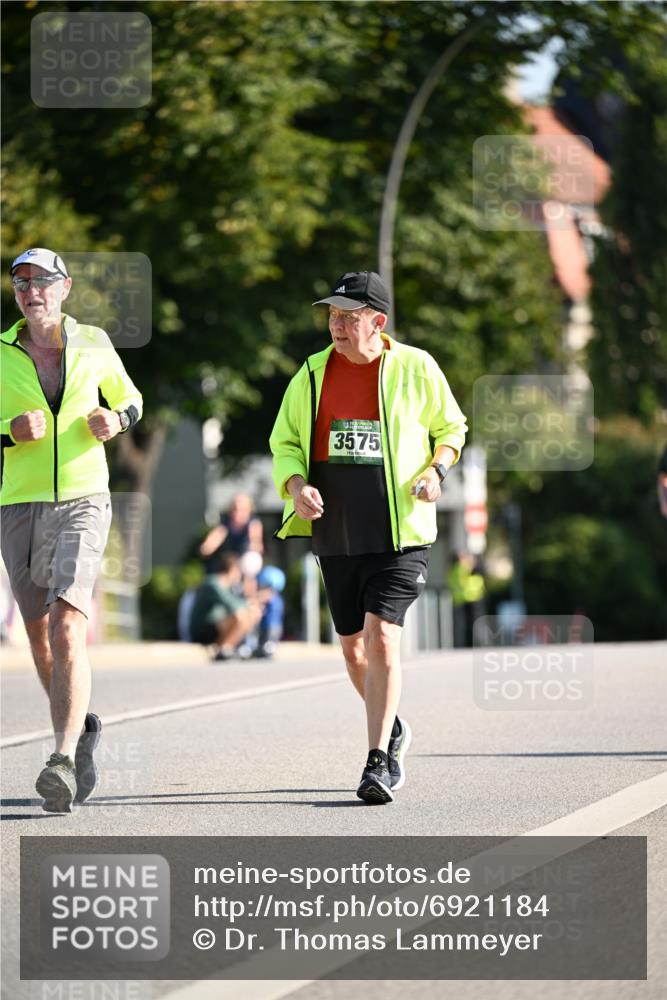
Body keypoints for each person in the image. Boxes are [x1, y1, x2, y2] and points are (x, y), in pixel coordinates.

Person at [270, 270, 467, 804]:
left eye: (348, 317)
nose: (335, 325)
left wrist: (436, 471)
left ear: (377, 322)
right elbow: (285, 442)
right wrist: (296, 485)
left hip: (400, 532)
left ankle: (377, 760)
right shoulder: (310, 375)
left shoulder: (416, 367)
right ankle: (394, 726)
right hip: (336, 530)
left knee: (382, 639)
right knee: (354, 652)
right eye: (332, 315)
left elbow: (452, 428)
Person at [0, 247, 142, 813]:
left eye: (42, 282)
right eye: (21, 283)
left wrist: (117, 419)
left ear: (66, 288)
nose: (31, 292)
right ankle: (80, 731)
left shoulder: (94, 343)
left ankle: (58, 758)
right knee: (38, 637)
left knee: (65, 628)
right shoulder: (1, 353)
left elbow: (130, 398)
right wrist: (8, 432)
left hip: (85, 498)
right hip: (18, 505)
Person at [189, 551, 264, 660]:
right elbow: (231, 604)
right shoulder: (212, 584)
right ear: (232, 570)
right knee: (240, 616)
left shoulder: (228, 587)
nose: (240, 575)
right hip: (203, 629)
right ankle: (224, 649)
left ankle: (228, 647)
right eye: (238, 571)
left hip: (216, 626)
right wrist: (250, 603)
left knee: (254, 613)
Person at [199, 493, 263, 572]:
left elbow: (256, 542)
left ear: (249, 511)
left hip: (246, 567)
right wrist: (207, 547)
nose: (238, 513)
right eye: (235, 509)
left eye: (243, 510)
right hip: (228, 567)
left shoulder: (253, 524)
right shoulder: (225, 525)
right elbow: (213, 540)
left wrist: (254, 549)